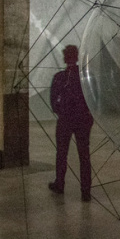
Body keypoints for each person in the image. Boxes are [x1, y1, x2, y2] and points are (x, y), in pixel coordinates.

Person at [48, 45, 95, 202]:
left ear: (65, 57)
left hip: (66, 120)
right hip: (83, 120)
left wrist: (62, 111)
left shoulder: (59, 77)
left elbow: (53, 102)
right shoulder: (86, 77)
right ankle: (86, 191)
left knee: (61, 153)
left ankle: (60, 183)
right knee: (84, 155)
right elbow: (94, 99)